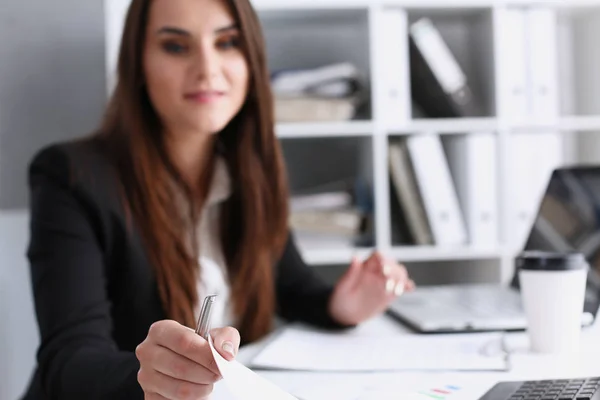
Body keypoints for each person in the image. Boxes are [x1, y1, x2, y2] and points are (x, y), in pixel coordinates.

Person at [21, 0, 415, 399]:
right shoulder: (71, 175)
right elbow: (69, 360)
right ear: (138, 64)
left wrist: (342, 305)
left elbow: (292, 286)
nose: (208, 70)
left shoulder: (250, 171)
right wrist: (148, 376)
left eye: (227, 43)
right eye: (176, 46)